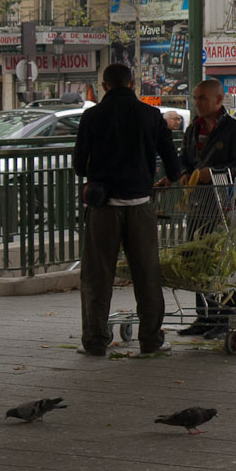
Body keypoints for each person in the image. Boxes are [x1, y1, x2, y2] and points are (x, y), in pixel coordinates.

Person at [72, 63, 182, 357]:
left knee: (97, 277)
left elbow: (79, 166)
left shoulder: (92, 116)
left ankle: (95, 341)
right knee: (147, 275)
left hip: (104, 207)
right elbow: (174, 165)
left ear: (105, 85)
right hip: (140, 206)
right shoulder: (151, 116)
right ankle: (150, 340)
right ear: (132, 83)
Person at [175, 79, 236, 337]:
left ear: (219, 100)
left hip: (225, 204)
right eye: (196, 98)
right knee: (199, 259)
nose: (197, 103)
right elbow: (184, 160)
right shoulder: (192, 130)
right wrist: (186, 173)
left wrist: (216, 173)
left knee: (225, 261)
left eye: (203, 99)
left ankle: (226, 316)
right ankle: (204, 316)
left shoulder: (235, 129)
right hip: (197, 204)